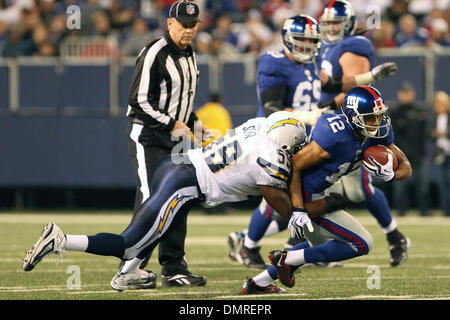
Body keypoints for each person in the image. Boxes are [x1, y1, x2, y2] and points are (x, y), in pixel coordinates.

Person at [22, 112, 347, 292]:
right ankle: (62, 240)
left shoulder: (262, 126)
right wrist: (328, 204)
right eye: (295, 148)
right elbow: (285, 208)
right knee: (131, 243)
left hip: (180, 166)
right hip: (186, 184)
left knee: (158, 230)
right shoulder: (272, 157)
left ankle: (128, 275)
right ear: (286, 146)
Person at [228, 13, 398, 269]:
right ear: (287, 39)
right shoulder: (272, 62)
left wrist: (367, 79)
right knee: (273, 192)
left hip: (303, 133)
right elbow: (273, 107)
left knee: (304, 194)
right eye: (301, 40)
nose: (307, 46)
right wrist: (311, 115)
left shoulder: (313, 62)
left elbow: (333, 85)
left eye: (311, 40)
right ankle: (248, 246)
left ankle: (289, 246)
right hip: (277, 134)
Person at [241, 86, 413, 295]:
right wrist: (298, 209)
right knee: (361, 243)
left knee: (319, 246)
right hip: (305, 195)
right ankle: (283, 258)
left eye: (378, 116)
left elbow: (405, 164)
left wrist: (392, 176)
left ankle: (258, 283)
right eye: (369, 118)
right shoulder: (335, 136)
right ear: (353, 116)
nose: (376, 123)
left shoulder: (376, 134)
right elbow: (295, 165)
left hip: (319, 192)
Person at [317, 0, 410, 267]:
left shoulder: (354, 45)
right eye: (328, 23)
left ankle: (393, 236)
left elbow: (352, 95)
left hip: (348, 121)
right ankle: (392, 237)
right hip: (329, 118)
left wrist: (327, 104)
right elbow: (328, 83)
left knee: (352, 188)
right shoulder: (330, 46)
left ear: (347, 24)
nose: (331, 28)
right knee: (332, 185)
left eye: (336, 23)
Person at [123, 1, 209, 288]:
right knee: (151, 199)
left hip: (177, 138)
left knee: (180, 198)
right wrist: (173, 124)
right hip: (149, 135)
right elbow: (139, 100)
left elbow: (183, 103)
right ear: (169, 23)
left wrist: (196, 126)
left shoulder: (190, 54)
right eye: (183, 25)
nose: (188, 30)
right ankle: (131, 267)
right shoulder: (154, 52)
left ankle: (173, 267)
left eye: (193, 25)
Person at [390, 83, 429, 216]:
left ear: (413, 94)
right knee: (400, 186)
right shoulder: (394, 112)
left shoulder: (419, 111)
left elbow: (424, 133)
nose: (406, 96)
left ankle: (424, 212)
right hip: (400, 155)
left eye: (408, 93)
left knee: (423, 185)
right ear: (399, 95)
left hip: (418, 154)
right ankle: (401, 212)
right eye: (404, 93)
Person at [431, 91, 450, 216]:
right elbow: (429, 133)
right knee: (442, 183)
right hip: (440, 154)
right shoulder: (434, 118)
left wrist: (446, 133)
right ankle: (445, 210)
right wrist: (435, 134)